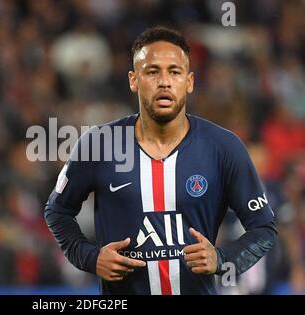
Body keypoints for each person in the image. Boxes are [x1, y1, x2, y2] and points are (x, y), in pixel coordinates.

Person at [44, 26, 277, 295]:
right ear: (133, 80)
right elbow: (57, 211)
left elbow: (263, 228)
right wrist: (90, 257)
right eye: (152, 71)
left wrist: (223, 259)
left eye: (174, 72)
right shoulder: (99, 144)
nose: (164, 82)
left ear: (189, 82)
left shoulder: (224, 148)